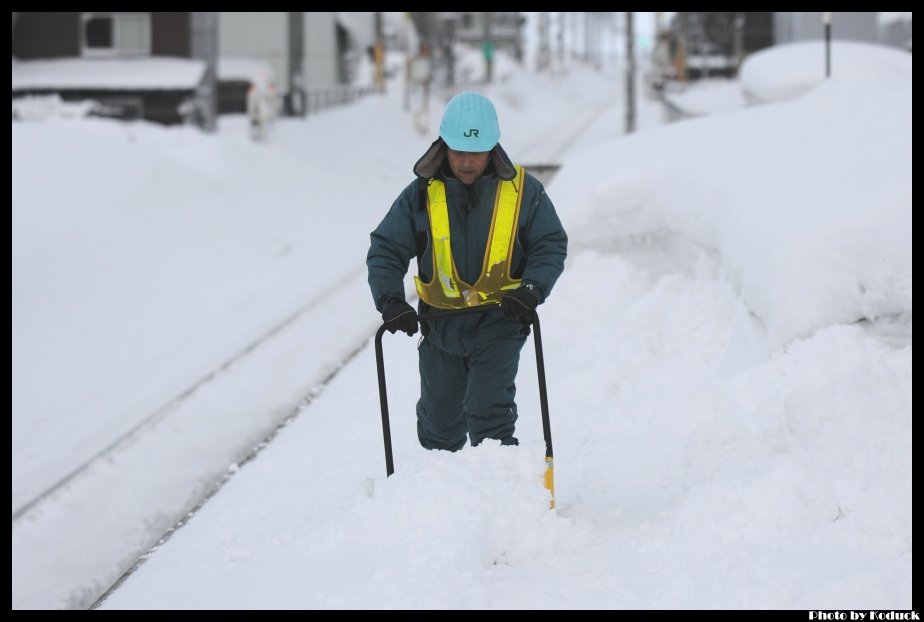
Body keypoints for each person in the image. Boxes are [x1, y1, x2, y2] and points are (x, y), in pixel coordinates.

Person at [366, 91, 567, 451]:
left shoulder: (525, 192)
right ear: (443, 145)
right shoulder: (420, 195)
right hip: (441, 326)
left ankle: (502, 495)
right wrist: (391, 301)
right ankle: (441, 496)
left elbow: (550, 244)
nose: (467, 162)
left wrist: (532, 290)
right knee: (439, 424)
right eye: (458, 151)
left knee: (490, 415)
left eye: (476, 152)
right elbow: (386, 248)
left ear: (493, 147)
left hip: (500, 322)